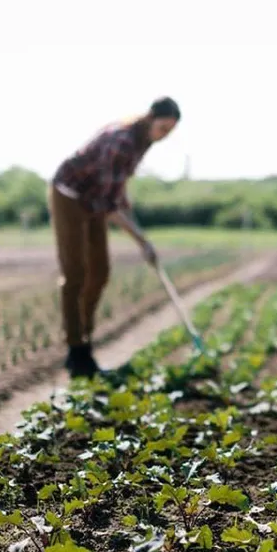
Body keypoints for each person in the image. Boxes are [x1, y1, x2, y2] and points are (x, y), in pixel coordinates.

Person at [48, 97, 181, 378]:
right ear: (150, 118)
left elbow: (114, 188)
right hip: (70, 195)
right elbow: (109, 206)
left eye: (169, 131)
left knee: (100, 272)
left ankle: (85, 338)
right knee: (75, 274)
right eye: (163, 128)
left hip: (94, 199)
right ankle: (76, 352)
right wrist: (142, 240)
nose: (164, 136)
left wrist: (125, 203)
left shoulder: (143, 141)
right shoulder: (121, 140)